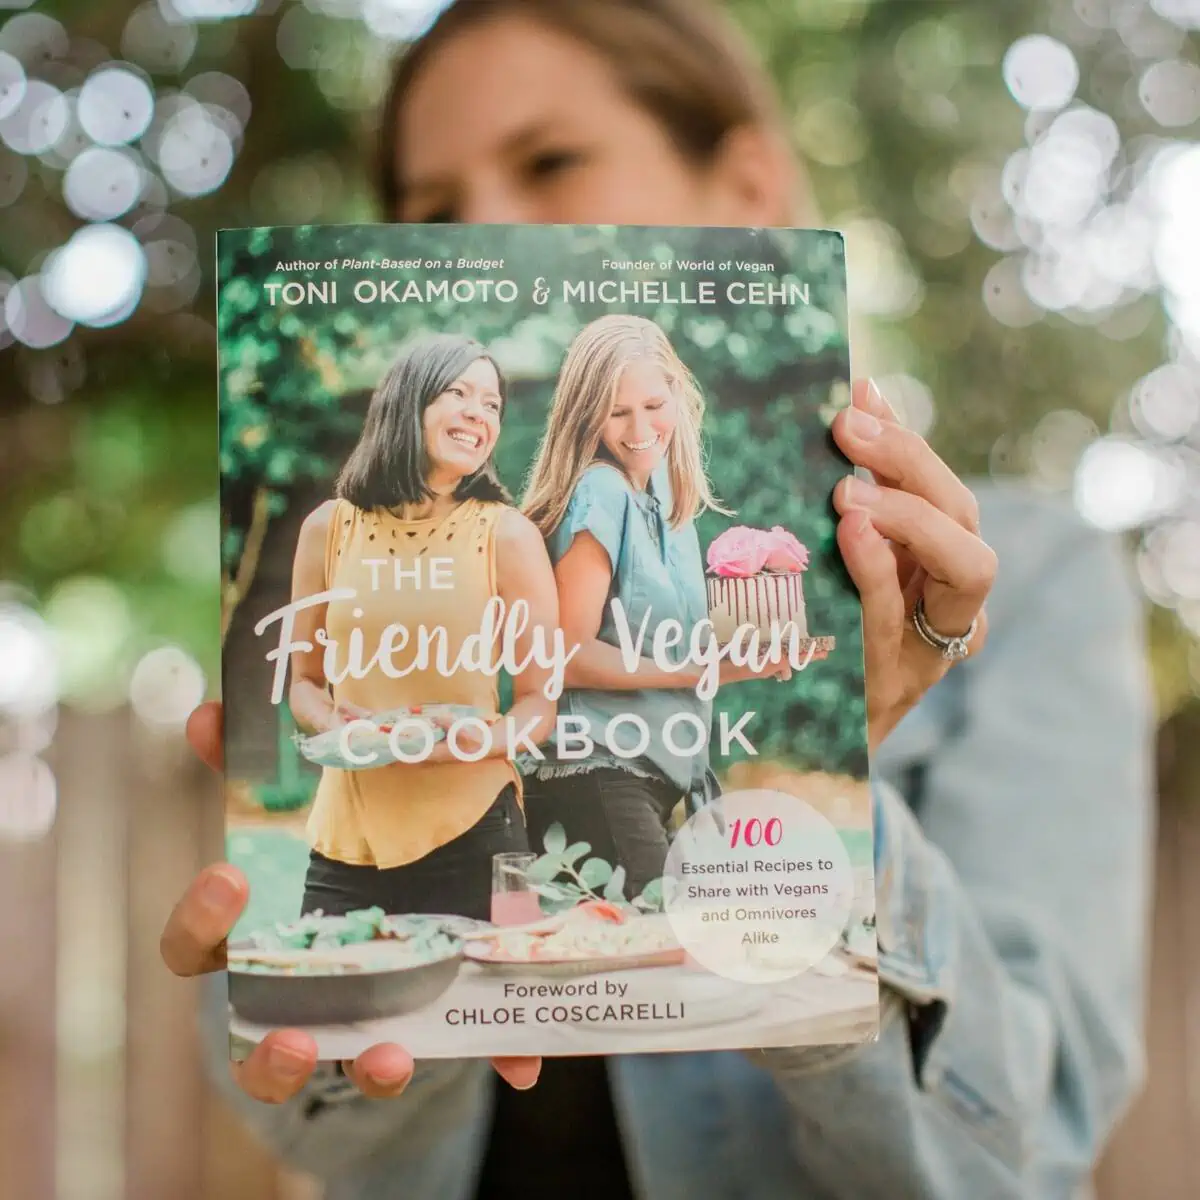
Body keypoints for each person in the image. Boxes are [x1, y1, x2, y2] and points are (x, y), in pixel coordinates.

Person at [163, 1, 1153, 1196]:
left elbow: (1027, 1159)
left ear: (746, 189)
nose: (481, 225)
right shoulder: (414, 540)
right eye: (431, 211)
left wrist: (820, 807)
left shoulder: (1028, 580)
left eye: (550, 162)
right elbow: (320, 1119)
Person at [278, 332, 559, 923]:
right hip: (346, 843)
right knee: (332, 1006)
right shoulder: (327, 529)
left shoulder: (506, 535)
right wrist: (334, 724)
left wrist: (471, 739)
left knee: (495, 1009)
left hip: (476, 833)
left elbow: (538, 705)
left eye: (492, 405)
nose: (478, 414)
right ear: (409, 403)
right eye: (459, 393)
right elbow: (303, 682)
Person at [520, 313, 798, 895]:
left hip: (655, 773)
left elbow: (669, 656)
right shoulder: (601, 490)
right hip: (595, 771)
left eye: (653, 404)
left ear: (679, 391)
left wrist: (744, 657)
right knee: (659, 944)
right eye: (617, 412)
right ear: (585, 418)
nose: (640, 428)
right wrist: (696, 670)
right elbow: (566, 656)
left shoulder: (670, 502)